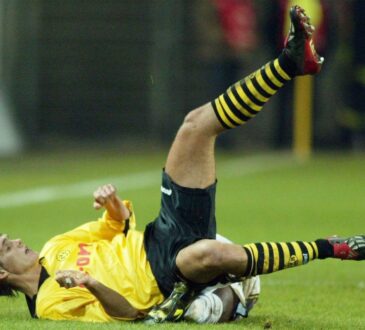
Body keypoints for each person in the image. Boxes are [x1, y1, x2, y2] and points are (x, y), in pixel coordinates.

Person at [0, 5, 364, 323]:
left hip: (161, 235)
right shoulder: (49, 303)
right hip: (165, 277)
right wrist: (92, 284)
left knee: (195, 126)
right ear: (2, 274)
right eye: (5, 247)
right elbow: (128, 314)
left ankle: (290, 62)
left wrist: (112, 205)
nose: (15, 240)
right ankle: (330, 248)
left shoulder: (54, 247)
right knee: (210, 253)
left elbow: (119, 227)